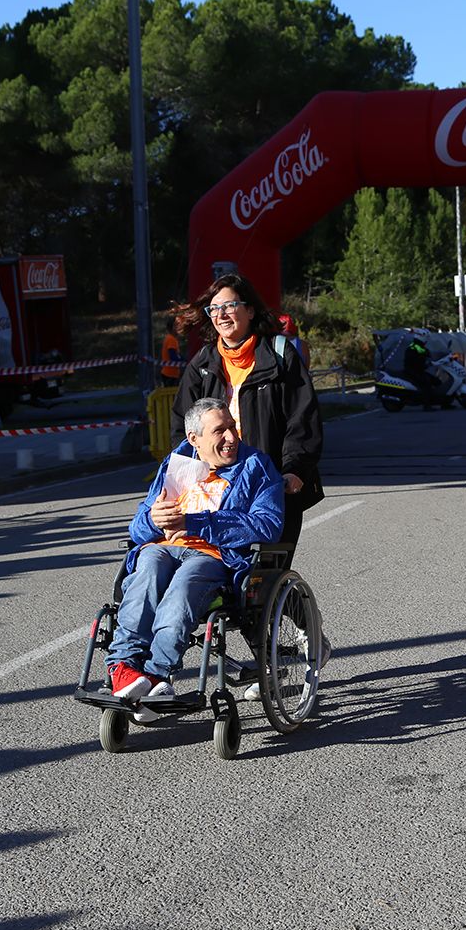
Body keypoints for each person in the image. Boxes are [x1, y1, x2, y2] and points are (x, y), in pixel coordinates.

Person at [106, 397, 284, 717]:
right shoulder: (177, 464)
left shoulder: (256, 466)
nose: (231, 437)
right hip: (162, 547)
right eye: (220, 431)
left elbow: (268, 525)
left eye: (232, 427)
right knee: (147, 570)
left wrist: (196, 522)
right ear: (194, 440)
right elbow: (139, 527)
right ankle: (124, 669)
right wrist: (153, 520)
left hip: (215, 555)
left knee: (184, 585)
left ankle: (155, 673)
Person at [170, 272, 323, 547]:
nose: (221, 314)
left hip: (269, 484)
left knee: (262, 576)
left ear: (250, 310)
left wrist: (294, 470)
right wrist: (186, 474)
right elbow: (182, 424)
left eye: (230, 305)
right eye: (214, 308)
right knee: (210, 568)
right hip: (217, 487)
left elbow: (303, 418)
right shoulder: (203, 363)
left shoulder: (279, 355)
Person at [159, 314, 186, 385]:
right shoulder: (171, 339)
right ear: (173, 327)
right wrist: (183, 362)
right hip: (170, 374)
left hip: (169, 373)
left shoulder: (170, 338)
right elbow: (173, 356)